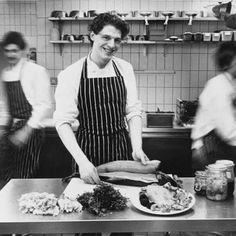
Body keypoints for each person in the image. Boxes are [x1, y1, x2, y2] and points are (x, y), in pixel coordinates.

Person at [53, 12, 149, 185]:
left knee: (121, 202)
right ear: (92, 36)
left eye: (117, 40)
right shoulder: (71, 74)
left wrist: (136, 147)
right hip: (87, 153)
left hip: (121, 151)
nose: (111, 45)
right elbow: (62, 122)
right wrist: (82, 161)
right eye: (106, 37)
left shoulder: (125, 69)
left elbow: (133, 111)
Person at [0, 31, 53, 181]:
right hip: (11, 128)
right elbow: (6, 106)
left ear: (22, 51)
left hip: (30, 129)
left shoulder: (35, 71)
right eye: (7, 51)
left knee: (23, 175)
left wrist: (26, 131)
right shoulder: (5, 73)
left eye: (14, 51)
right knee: (6, 175)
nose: (11, 55)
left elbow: (44, 105)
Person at [191, 41, 236, 171]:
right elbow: (228, 131)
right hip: (209, 153)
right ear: (228, 63)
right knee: (215, 190)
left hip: (220, 149)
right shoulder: (218, 86)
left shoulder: (230, 84)